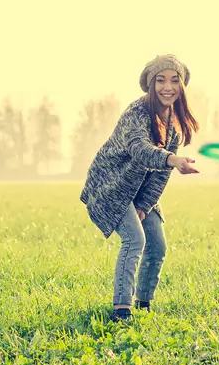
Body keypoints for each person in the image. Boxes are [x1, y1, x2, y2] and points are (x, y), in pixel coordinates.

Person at [80, 54, 200, 321]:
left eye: (174, 81)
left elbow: (159, 177)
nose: (167, 87)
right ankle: (121, 310)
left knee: (157, 245)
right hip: (111, 187)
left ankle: (143, 303)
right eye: (160, 80)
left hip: (138, 192)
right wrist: (172, 159)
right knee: (135, 240)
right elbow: (140, 150)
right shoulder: (136, 113)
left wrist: (145, 205)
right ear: (149, 83)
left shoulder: (174, 127)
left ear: (182, 86)